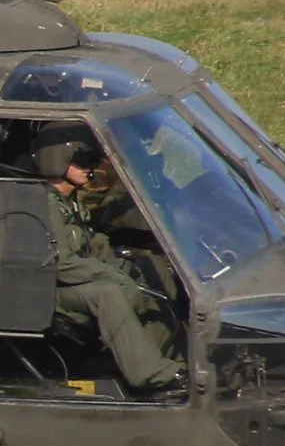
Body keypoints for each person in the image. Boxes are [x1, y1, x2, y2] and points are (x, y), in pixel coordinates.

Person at [40, 138, 185, 394]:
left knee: (151, 268)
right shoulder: (46, 205)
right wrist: (113, 274)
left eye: (93, 162)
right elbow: (60, 263)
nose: (90, 169)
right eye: (83, 162)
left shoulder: (70, 203)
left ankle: (168, 358)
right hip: (50, 290)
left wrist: (127, 267)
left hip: (77, 281)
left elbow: (93, 246)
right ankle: (148, 374)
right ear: (56, 160)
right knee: (109, 293)